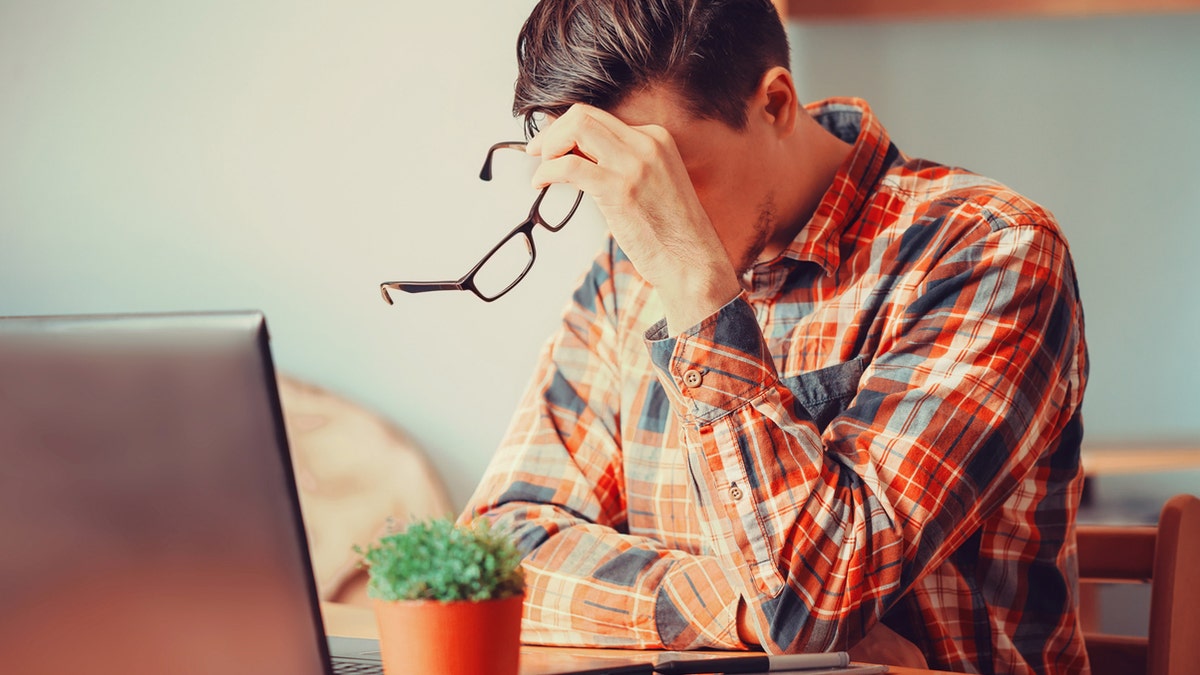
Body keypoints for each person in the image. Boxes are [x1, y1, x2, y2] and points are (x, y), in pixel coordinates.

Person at [460, 1, 1090, 672]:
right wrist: (731, 608)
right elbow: (496, 550)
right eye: (620, 181)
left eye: (666, 175)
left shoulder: (988, 252)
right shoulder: (624, 274)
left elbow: (813, 607)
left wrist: (697, 288)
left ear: (777, 104)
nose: (640, 220)